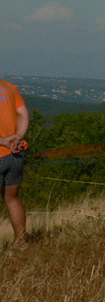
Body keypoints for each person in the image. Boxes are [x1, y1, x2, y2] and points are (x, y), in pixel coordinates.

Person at [0, 79, 29, 250]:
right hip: (15, 153)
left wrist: (3, 141)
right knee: (12, 198)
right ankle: (21, 242)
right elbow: (24, 114)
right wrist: (17, 138)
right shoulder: (8, 86)